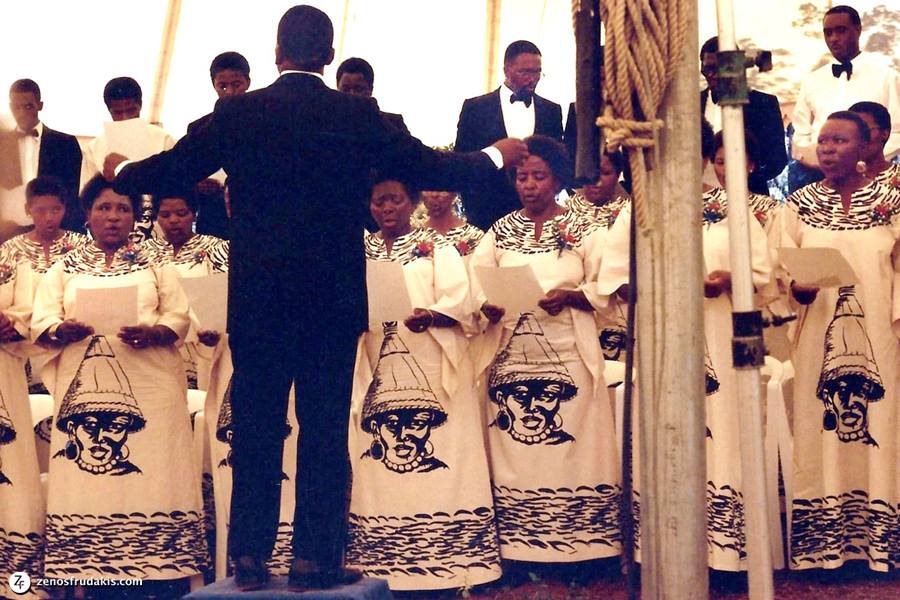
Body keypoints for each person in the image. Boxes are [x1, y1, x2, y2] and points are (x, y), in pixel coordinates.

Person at [106, 4, 526, 591]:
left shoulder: (237, 111)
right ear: (328, 56)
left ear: (276, 53)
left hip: (258, 299)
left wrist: (121, 165)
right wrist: (494, 155)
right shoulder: (358, 114)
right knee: (325, 430)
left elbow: (173, 167)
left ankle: (248, 560)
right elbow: (429, 164)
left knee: (256, 426)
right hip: (330, 298)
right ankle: (315, 561)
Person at [30, 175, 206, 594]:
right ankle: (87, 575)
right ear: (87, 214)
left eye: (122, 209)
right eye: (104, 208)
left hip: (152, 391)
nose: (113, 217)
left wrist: (157, 333)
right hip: (84, 394)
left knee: (157, 474)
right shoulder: (63, 267)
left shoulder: (157, 264)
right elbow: (41, 320)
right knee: (89, 482)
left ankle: (164, 574)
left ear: (134, 217)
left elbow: (180, 316)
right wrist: (61, 330)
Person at [469, 135, 619, 562]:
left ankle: (583, 553)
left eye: (538, 176)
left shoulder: (584, 228)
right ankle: (520, 552)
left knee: (571, 445)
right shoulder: (500, 231)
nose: (528, 184)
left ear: (557, 180)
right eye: (521, 176)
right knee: (518, 448)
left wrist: (572, 296)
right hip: (511, 358)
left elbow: (608, 284)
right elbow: (475, 284)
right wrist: (488, 307)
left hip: (568, 353)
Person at [345, 177, 500, 590]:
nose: (386, 209)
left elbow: (464, 304)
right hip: (377, 362)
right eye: (378, 202)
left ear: (411, 202)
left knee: (445, 455)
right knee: (378, 465)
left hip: (433, 362)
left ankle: (454, 565)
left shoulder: (437, 248)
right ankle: (385, 565)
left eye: (394, 200)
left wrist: (430, 316)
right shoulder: (358, 250)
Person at [783, 111, 900, 571]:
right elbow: (781, 275)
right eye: (824, 141)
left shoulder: (890, 202)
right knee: (820, 430)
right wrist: (799, 289)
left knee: (883, 427)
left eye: (839, 141)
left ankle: (879, 549)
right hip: (818, 336)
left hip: (879, 338)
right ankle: (825, 551)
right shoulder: (800, 203)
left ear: (866, 146)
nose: (828, 148)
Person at [455, 40, 563, 229]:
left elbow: (556, 162)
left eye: (537, 71)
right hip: (487, 213)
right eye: (525, 72)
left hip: (540, 214)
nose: (533, 78)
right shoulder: (475, 108)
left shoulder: (551, 110)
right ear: (506, 70)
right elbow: (463, 159)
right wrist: (473, 207)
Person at [791, 5, 900, 190]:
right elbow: (801, 133)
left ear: (858, 30)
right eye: (828, 33)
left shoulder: (886, 76)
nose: (834, 38)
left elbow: (896, 131)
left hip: (872, 179)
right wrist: (819, 161)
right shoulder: (811, 80)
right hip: (820, 179)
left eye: (841, 31)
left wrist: (865, 163)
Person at [145, 190, 228, 390]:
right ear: (156, 217)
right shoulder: (143, 252)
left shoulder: (216, 248)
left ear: (194, 214)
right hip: (158, 341)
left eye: (181, 213)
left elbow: (223, 296)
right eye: (165, 215)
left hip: (204, 343)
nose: (174, 220)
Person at [83, 77, 176, 241]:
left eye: (131, 110)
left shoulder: (163, 139)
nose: (125, 117)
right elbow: (88, 196)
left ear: (140, 106)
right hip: (111, 234)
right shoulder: (95, 147)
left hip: (159, 233)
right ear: (109, 111)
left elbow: (175, 186)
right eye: (118, 113)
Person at [0, 244, 43, 599]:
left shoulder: (13, 261)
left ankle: (16, 579)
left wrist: (10, 321)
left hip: (3, 371)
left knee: (8, 461)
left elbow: (31, 312)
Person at [699, 36, 787, 195]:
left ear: (736, 66)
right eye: (707, 69)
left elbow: (777, 161)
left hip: (750, 197)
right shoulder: (691, 105)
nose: (712, 75)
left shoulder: (764, 104)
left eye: (718, 68)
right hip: (700, 200)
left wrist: (744, 180)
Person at [566, 150, 630, 363]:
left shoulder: (629, 213)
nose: (595, 181)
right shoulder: (562, 213)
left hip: (619, 307)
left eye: (604, 173)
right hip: (572, 309)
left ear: (618, 173)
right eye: (590, 172)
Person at [0, 79, 83, 239]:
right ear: (10, 107)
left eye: (28, 106)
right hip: (8, 232)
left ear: (40, 105)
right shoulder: (2, 144)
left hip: (54, 230)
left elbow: (71, 194)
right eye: (17, 107)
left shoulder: (65, 144)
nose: (22, 112)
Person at [187, 51, 253, 240]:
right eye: (222, 86)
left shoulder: (263, 124)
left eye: (236, 85)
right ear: (214, 85)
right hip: (211, 220)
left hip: (251, 219)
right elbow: (185, 173)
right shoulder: (199, 128)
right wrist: (196, 183)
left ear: (247, 83)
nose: (230, 92)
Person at [336, 57, 409, 134]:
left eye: (358, 89)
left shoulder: (393, 124)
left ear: (370, 90)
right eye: (346, 89)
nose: (351, 94)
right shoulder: (328, 122)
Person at [421, 189, 484, 258]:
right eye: (428, 189)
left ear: (453, 193)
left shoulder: (474, 236)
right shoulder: (416, 240)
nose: (434, 195)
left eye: (441, 189)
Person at [849, 101, 900, 185]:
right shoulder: (836, 180)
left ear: (884, 134)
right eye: (851, 131)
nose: (857, 137)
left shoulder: (897, 178)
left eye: (864, 130)